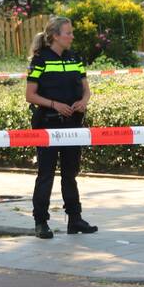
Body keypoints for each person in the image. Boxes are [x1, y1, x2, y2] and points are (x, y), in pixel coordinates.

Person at [25, 17, 99, 240]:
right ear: (55, 36)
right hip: (47, 124)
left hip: (73, 124)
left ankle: (74, 219)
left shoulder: (75, 58)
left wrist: (83, 101)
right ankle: (41, 222)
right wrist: (54, 104)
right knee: (45, 174)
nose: (72, 36)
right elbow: (30, 95)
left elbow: (86, 90)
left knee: (70, 173)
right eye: (68, 33)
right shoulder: (40, 60)